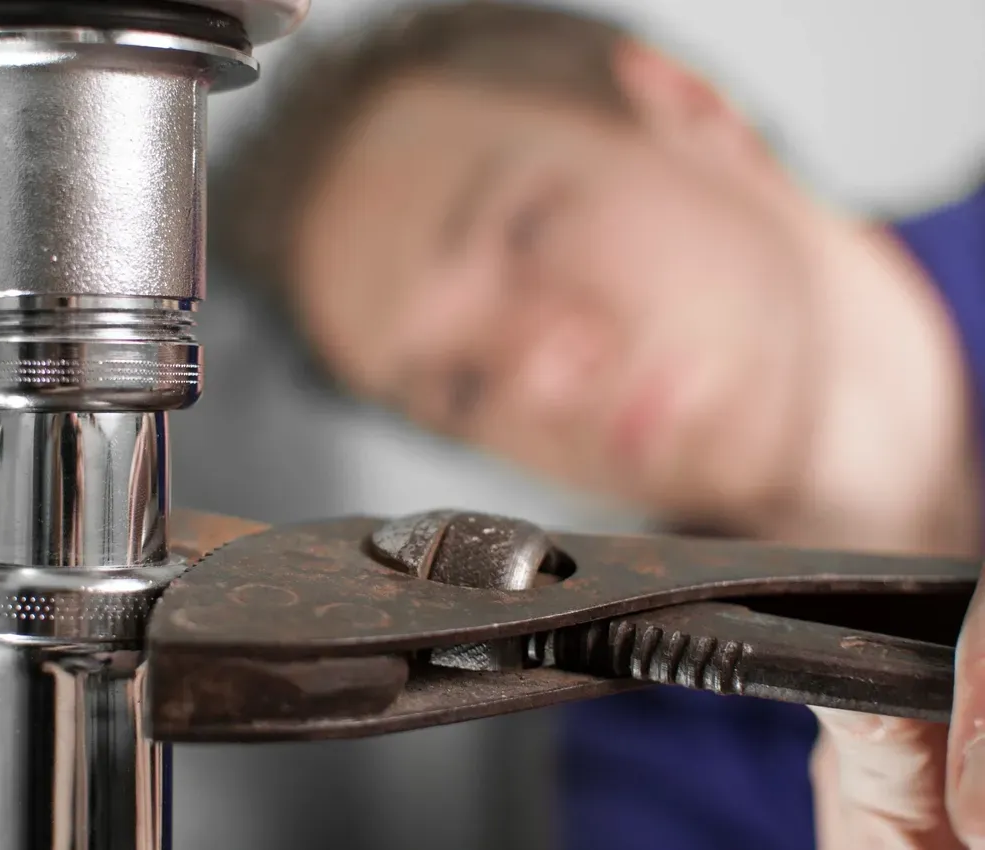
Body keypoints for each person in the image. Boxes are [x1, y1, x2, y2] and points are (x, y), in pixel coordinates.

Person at [209, 3, 985, 848]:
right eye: (463, 386)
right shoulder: (646, 763)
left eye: (526, 231)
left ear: (687, 103)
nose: (542, 376)